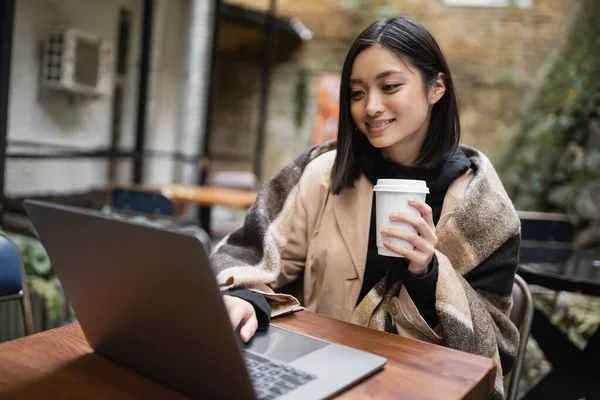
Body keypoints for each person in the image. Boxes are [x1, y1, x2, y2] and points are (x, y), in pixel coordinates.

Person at [210, 16, 520, 400]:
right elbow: (251, 254)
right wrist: (245, 297)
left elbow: (497, 350)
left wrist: (428, 272)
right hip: (316, 381)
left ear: (436, 87)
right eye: (357, 93)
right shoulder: (323, 173)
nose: (371, 107)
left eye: (389, 86)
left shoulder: (485, 210)